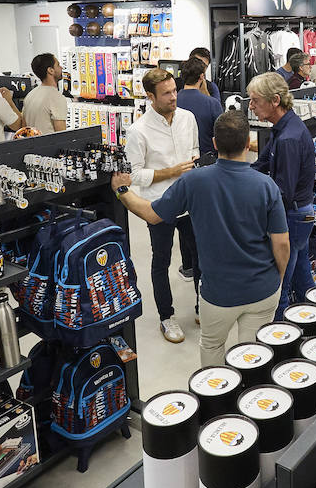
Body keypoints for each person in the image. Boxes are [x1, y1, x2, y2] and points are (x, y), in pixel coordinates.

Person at [111, 111, 289, 366]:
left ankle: (216, 404)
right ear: (247, 141)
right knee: (255, 357)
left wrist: (122, 191)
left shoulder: (194, 181)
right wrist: (277, 279)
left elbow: (152, 214)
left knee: (212, 349)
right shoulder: (266, 185)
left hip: (217, 293)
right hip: (261, 288)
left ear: (215, 144)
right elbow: (281, 243)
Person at [124, 68, 201, 344]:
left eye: (174, 90)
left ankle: (200, 306)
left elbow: (195, 152)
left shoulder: (187, 118)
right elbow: (134, 175)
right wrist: (169, 172)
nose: (173, 97)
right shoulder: (138, 131)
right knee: (162, 261)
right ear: (150, 96)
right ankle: (166, 317)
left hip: (191, 202)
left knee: (199, 257)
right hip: (159, 205)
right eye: (166, 93)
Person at [249, 72, 316, 318]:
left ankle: (278, 333)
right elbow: (261, 163)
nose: (251, 106)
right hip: (301, 214)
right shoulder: (283, 127)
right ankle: (315, 316)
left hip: (294, 215)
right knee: (301, 274)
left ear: (275, 100)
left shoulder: (288, 138)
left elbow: (283, 193)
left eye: (256, 100)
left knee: (280, 283)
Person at [177, 57, 223, 155]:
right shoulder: (212, 104)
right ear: (202, 76)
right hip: (206, 161)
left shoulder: (171, 102)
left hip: (178, 161)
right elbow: (222, 138)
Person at [22, 53, 68, 133]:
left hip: (33, 144)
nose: (61, 68)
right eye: (58, 65)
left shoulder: (30, 95)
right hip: (50, 145)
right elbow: (61, 135)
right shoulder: (56, 97)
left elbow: (24, 126)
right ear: (50, 70)